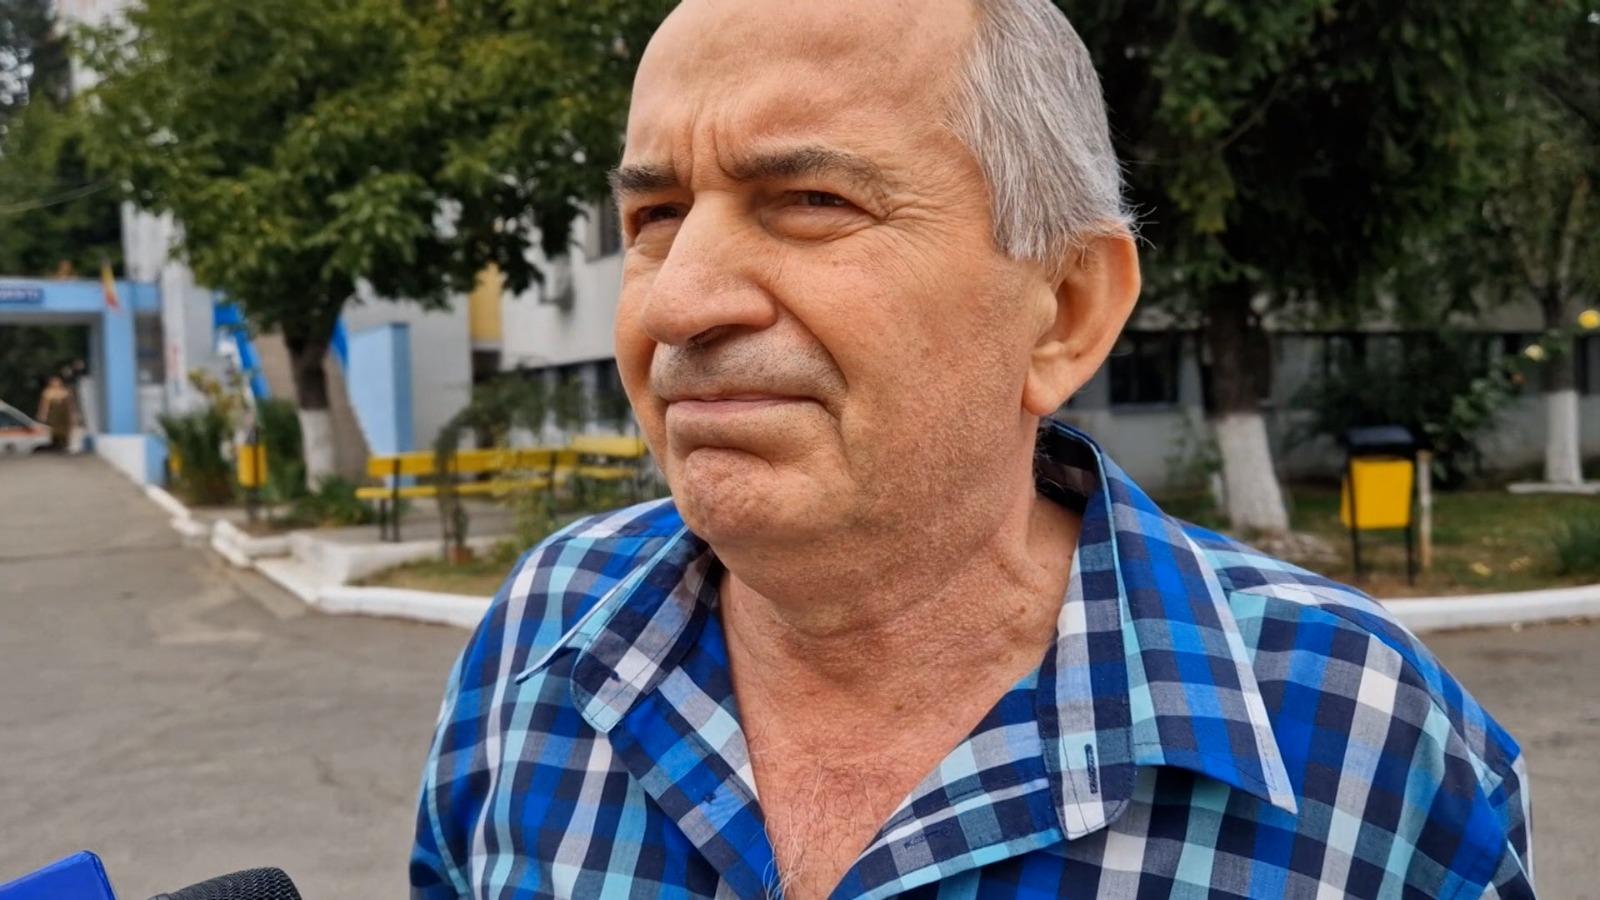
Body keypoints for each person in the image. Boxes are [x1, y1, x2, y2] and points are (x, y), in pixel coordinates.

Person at [411, 1, 1534, 897]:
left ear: (1063, 310)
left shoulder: (1360, 738)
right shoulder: (539, 638)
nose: (677, 304)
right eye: (654, 218)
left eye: (810, 199)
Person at [35, 375, 77, 453]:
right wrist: (42, 415)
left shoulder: (65, 392)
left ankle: (64, 445)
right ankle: (56, 446)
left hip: (64, 417)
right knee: (55, 432)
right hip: (54, 417)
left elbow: (70, 406)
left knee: (64, 432)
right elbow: (44, 405)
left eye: (57, 381)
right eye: (53, 381)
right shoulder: (48, 392)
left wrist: (72, 416)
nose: (55, 383)